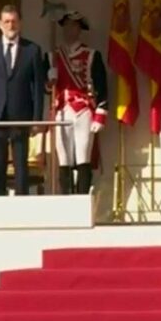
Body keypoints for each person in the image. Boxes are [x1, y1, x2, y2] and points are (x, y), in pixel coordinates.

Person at [0, 5, 45, 196]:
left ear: (20, 23)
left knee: (21, 163)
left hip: (21, 113)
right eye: (6, 21)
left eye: (14, 21)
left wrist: (37, 118)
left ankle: (22, 201)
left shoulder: (32, 50)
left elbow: (38, 87)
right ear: (0, 24)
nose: (10, 25)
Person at [46, 11, 108, 195]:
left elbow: (102, 86)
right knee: (63, 156)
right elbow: (47, 90)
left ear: (80, 29)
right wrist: (49, 80)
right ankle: (66, 197)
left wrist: (100, 115)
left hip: (83, 109)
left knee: (83, 154)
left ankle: (82, 196)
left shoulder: (91, 55)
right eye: (66, 25)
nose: (69, 29)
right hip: (61, 109)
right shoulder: (52, 56)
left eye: (74, 25)